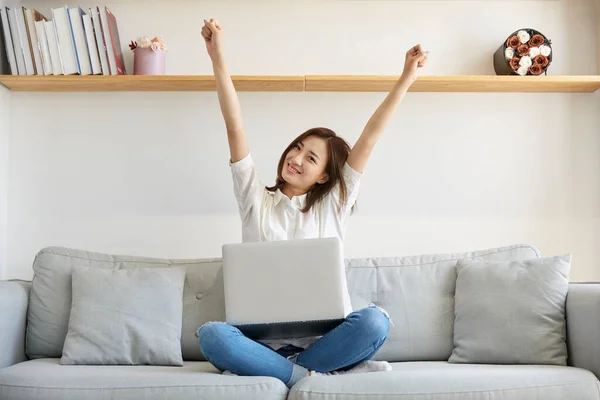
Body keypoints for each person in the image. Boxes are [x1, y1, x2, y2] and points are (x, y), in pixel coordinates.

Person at [197, 18, 428, 388]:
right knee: (212, 334)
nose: (297, 159)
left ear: (323, 175)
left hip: (325, 341)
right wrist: (217, 57)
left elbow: (368, 139)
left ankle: (286, 373)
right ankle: (304, 376)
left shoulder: (333, 204)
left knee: (374, 322)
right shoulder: (255, 199)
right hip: (259, 342)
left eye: (310, 158)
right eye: (297, 148)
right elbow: (234, 126)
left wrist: (406, 79)